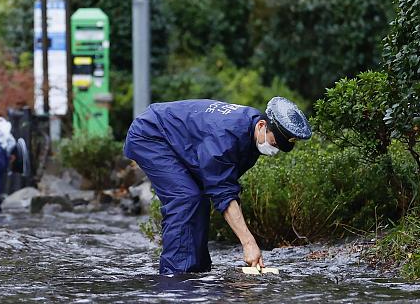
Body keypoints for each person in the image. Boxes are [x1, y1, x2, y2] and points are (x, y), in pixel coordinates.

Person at [123, 97, 312, 275]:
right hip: (151, 135)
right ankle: (175, 279)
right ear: (262, 125)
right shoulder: (226, 137)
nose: (273, 150)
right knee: (185, 198)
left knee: (200, 199)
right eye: (273, 143)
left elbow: (219, 185)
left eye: (278, 148)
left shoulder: (252, 132)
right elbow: (223, 192)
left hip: (179, 142)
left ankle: (198, 271)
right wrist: (248, 243)